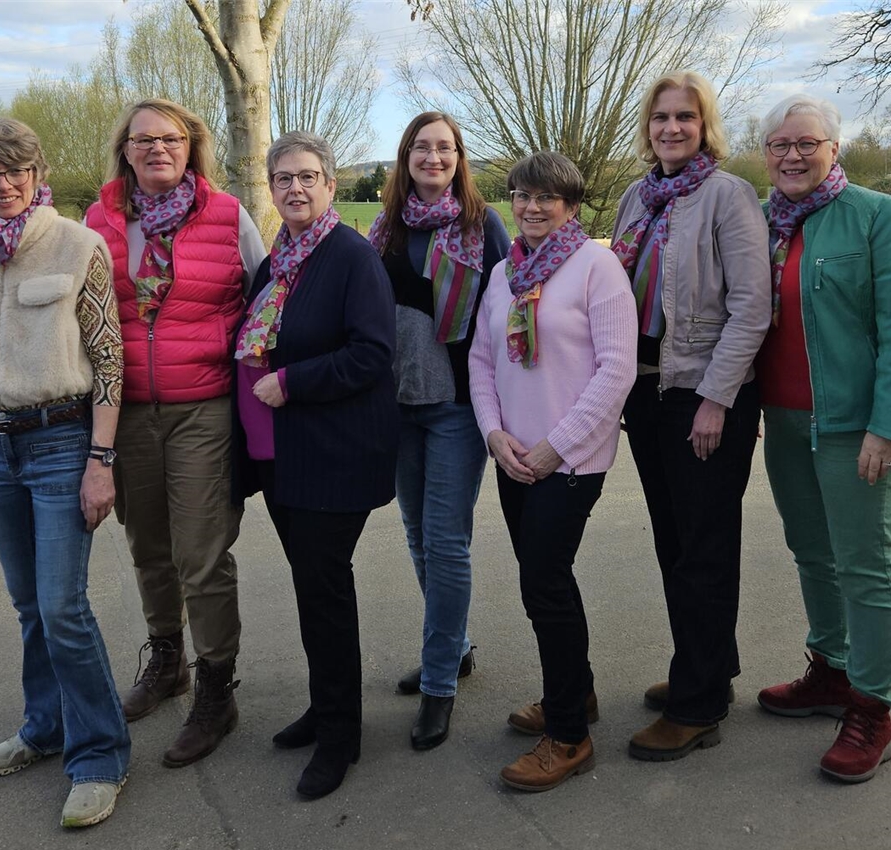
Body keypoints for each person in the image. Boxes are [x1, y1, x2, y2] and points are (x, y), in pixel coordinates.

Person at [0, 118, 130, 828]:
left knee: (62, 605)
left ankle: (101, 753)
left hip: (60, 442)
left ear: (37, 171)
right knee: (28, 606)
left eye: (16, 170)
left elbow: (109, 359)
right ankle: (46, 725)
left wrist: (100, 461)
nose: (4, 184)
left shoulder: (80, 246)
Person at [85, 99, 266, 768]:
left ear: (191, 148)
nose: (157, 148)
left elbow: (266, 295)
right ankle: (168, 659)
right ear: (125, 150)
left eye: (171, 138)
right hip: (126, 408)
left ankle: (217, 685)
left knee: (201, 551)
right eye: (143, 139)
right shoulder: (99, 219)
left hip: (203, 408)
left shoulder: (227, 215)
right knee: (148, 544)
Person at [755, 94, 891, 783]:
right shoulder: (764, 222)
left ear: (834, 148)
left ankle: (872, 707)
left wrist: (890, 426)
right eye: (778, 144)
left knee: (864, 565)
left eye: (806, 142)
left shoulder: (877, 216)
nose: (792, 155)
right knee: (812, 551)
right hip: (785, 420)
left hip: (857, 426)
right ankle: (829, 668)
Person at [609, 71, 771, 761]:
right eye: (661, 117)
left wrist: (715, 397)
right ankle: (701, 667)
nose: (672, 128)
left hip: (704, 393)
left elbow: (751, 307)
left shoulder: (727, 196)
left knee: (703, 546)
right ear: (647, 126)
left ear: (706, 126)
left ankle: (698, 703)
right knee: (674, 542)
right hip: (647, 391)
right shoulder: (636, 198)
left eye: (686, 117)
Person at [232, 131, 398, 799]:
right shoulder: (279, 261)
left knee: (325, 589)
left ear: (331, 184)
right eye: (283, 179)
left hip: (333, 453)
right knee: (311, 586)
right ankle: (329, 707)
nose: (294, 188)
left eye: (307, 176)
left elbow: (372, 353)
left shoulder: (351, 257)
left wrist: (293, 382)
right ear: (271, 190)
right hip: (280, 455)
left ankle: (340, 736)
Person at [469, 152, 637, 792]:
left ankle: (569, 735)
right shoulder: (505, 273)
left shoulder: (597, 267)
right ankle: (577, 692)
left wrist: (553, 448)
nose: (532, 207)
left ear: (571, 204)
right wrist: (495, 435)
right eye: (521, 195)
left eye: (547, 197)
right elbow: (483, 362)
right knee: (544, 582)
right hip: (514, 457)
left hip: (568, 462)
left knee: (545, 584)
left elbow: (616, 370)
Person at [367, 112, 510, 751]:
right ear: (406, 157)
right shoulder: (384, 230)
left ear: (459, 158)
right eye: (421, 147)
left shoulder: (484, 226)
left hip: (457, 405)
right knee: (418, 534)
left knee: (447, 541)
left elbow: (517, 302)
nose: (433, 156)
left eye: (444, 147)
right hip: (398, 405)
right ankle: (455, 648)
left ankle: (439, 685)